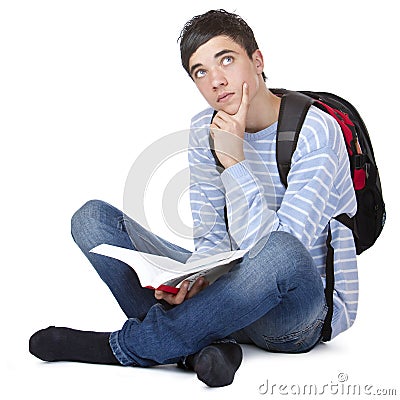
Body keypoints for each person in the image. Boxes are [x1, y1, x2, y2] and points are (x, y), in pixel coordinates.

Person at [29, 9, 358, 387]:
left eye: (227, 60)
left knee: (280, 251)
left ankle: (130, 346)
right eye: (200, 72)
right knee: (91, 220)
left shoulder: (315, 131)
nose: (216, 81)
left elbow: (281, 252)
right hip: (228, 295)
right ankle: (211, 346)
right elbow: (212, 238)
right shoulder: (204, 127)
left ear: (257, 61)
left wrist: (234, 161)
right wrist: (195, 279)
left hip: (294, 315)